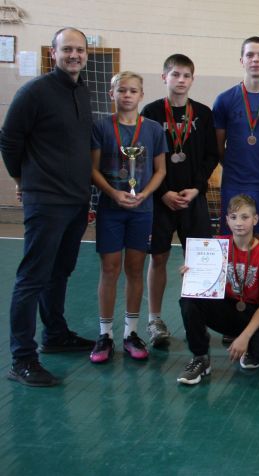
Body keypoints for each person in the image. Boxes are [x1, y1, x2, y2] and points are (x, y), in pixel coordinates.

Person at [1, 27, 97, 385]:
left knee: (60, 271)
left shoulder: (82, 90)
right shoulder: (34, 92)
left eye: (79, 50)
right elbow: (9, 140)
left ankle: (55, 334)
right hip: (46, 200)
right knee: (32, 278)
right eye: (67, 49)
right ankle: (22, 359)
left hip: (75, 200)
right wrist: (22, 179)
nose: (74, 55)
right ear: (53, 54)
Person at [89, 71, 167, 363]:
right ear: (112, 94)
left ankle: (131, 333)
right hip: (111, 210)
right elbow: (92, 169)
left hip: (141, 211)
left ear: (141, 95)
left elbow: (161, 170)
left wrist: (145, 194)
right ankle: (105, 335)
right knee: (109, 269)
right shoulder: (101, 127)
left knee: (135, 269)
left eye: (133, 91)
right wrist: (113, 193)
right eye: (121, 90)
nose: (127, 95)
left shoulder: (153, 129)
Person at [141, 54, 219, 347]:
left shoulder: (203, 113)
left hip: (193, 198)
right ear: (164, 77)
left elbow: (212, 155)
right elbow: (145, 155)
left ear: (192, 79)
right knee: (158, 258)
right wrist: (162, 192)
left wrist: (197, 188)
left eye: (186, 75)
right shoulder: (150, 112)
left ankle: (197, 321)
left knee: (198, 261)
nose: (181, 80)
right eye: (175, 74)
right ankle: (155, 320)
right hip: (160, 199)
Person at [176, 194, 259, 385]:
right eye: (234, 217)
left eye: (245, 217)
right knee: (189, 300)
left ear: (255, 219)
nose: (239, 223)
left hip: (253, 312)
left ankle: (250, 348)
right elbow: (200, 288)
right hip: (225, 308)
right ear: (226, 220)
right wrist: (191, 276)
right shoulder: (216, 246)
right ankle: (200, 357)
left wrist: (245, 337)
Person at [213, 36, 259, 245]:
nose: (255, 59)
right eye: (250, 55)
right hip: (235, 182)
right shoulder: (224, 99)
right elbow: (218, 146)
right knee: (233, 242)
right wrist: (234, 165)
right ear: (241, 60)